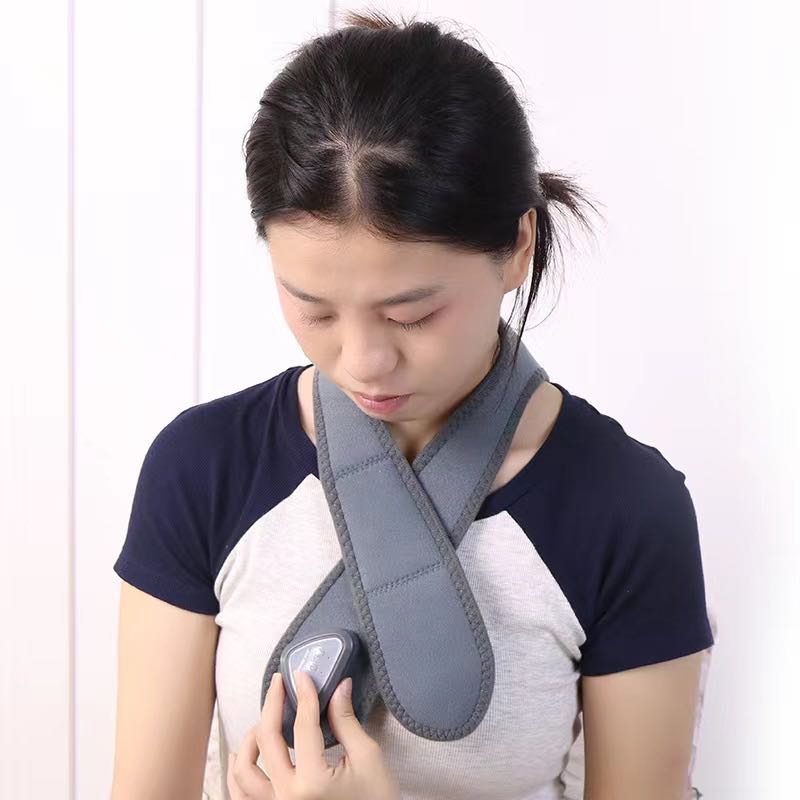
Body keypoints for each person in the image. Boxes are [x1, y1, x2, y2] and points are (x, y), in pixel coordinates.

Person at [111, 8, 715, 800]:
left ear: (519, 248)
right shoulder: (204, 468)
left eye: (412, 315)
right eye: (314, 308)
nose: (362, 360)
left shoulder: (626, 507)